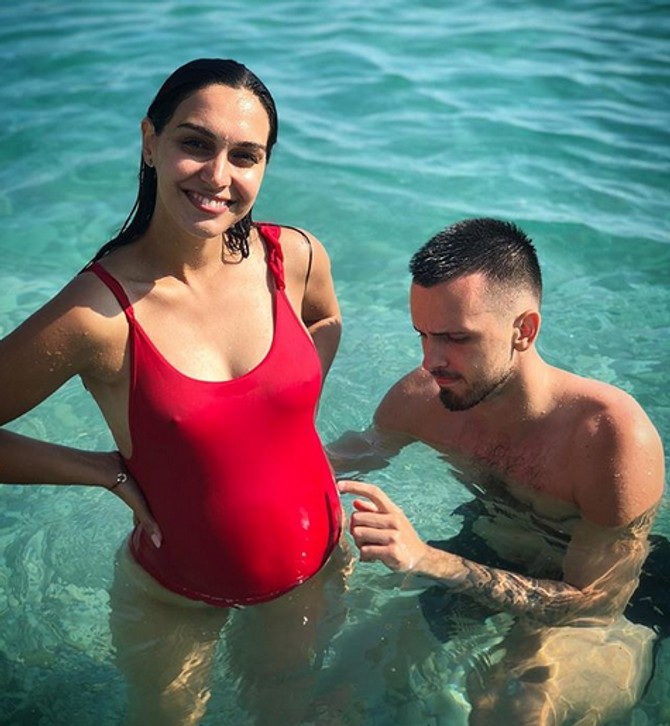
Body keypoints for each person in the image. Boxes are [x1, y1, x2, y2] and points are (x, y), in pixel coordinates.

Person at [0, 58, 347, 725]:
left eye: (245, 156)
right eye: (195, 143)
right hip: (175, 596)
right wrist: (103, 471)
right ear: (149, 142)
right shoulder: (98, 314)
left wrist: (287, 410)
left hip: (317, 564)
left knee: (293, 712)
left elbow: (326, 320)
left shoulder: (293, 257)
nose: (218, 175)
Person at [332, 218, 666, 725]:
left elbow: (595, 604)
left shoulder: (609, 436)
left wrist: (428, 560)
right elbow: (334, 462)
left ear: (523, 330)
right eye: (422, 334)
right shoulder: (425, 397)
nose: (431, 361)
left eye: (456, 337)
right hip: (488, 548)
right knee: (340, 691)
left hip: (607, 603)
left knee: (511, 711)